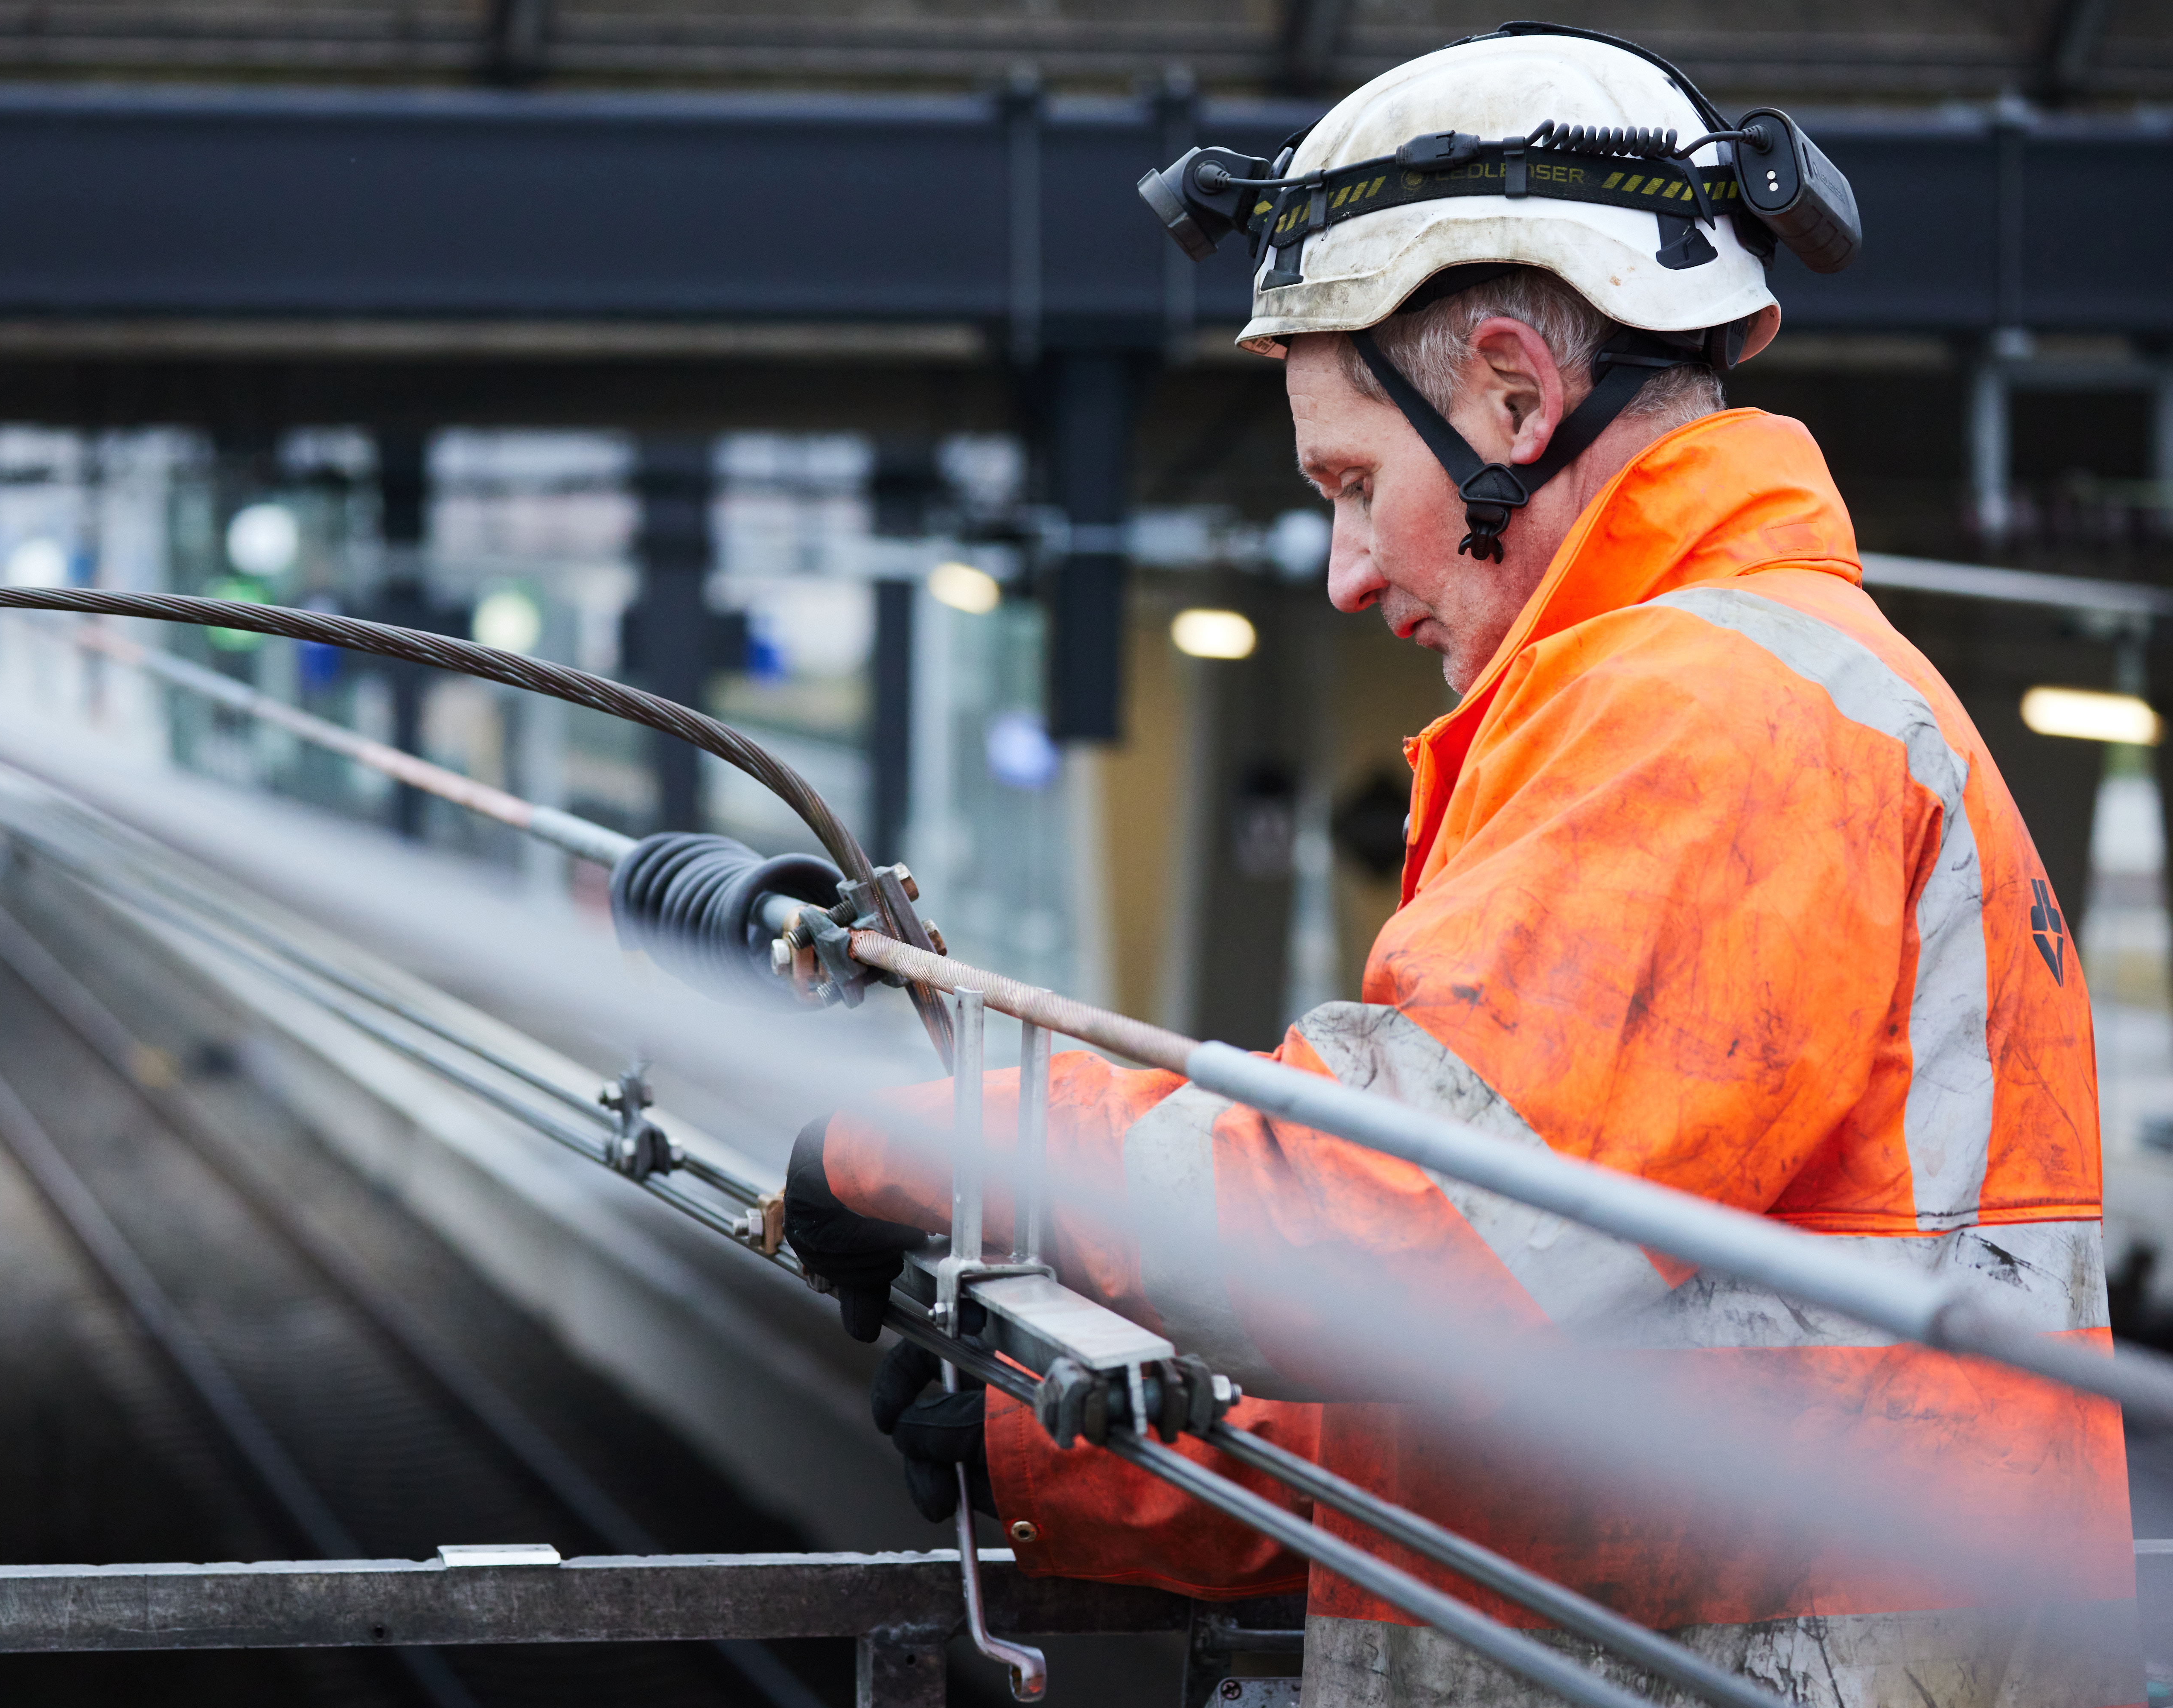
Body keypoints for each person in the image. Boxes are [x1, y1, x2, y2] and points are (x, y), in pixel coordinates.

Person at [788, 25, 2140, 1706]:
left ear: (1514, 388)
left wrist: (946, 1144)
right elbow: (1571, 1362)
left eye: (1356, 482)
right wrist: (1098, 1460)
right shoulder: (1719, 692)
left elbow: (1392, 1221)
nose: (1348, 572)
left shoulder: (1712, 714)